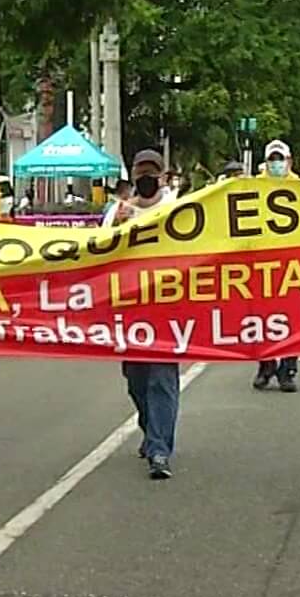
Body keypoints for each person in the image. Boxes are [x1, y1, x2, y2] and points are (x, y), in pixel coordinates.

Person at [110, 150, 181, 479]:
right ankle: (150, 426)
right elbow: (97, 252)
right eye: (142, 173)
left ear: (163, 176)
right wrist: (117, 227)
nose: (147, 178)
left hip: (168, 309)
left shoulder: (178, 209)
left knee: (162, 380)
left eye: (152, 172)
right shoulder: (121, 211)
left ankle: (159, 450)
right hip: (131, 310)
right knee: (136, 380)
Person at [253, 141, 300, 393]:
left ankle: (287, 370)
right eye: (272, 158)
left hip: (295, 263)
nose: (276, 163)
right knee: (263, 319)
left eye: (280, 158)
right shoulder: (252, 186)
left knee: (293, 319)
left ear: (289, 161)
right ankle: (266, 365)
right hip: (261, 263)